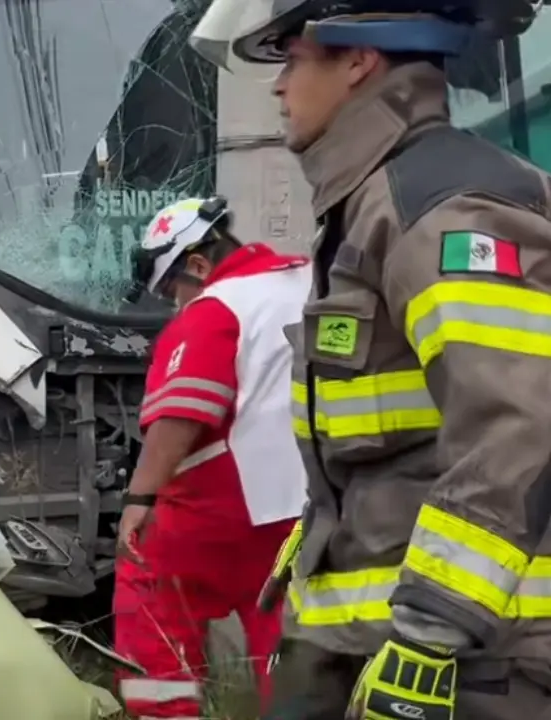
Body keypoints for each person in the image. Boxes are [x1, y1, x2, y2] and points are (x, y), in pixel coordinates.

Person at [187, 1, 549, 718]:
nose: (279, 86)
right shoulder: (370, 205)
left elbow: (517, 427)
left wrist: (430, 632)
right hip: (358, 649)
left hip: (467, 664)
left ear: (359, 60)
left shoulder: (445, 206)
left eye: (290, 58)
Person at [112, 195, 308, 718]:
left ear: (199, 265)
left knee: (147, 577)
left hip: (231, 500)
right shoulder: (313, 278)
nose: (176, 304)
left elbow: (184, 411)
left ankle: (165, 711)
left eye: (173, 289)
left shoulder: (215, 308)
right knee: (280, 623)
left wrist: (140, 497)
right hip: (311, 500)